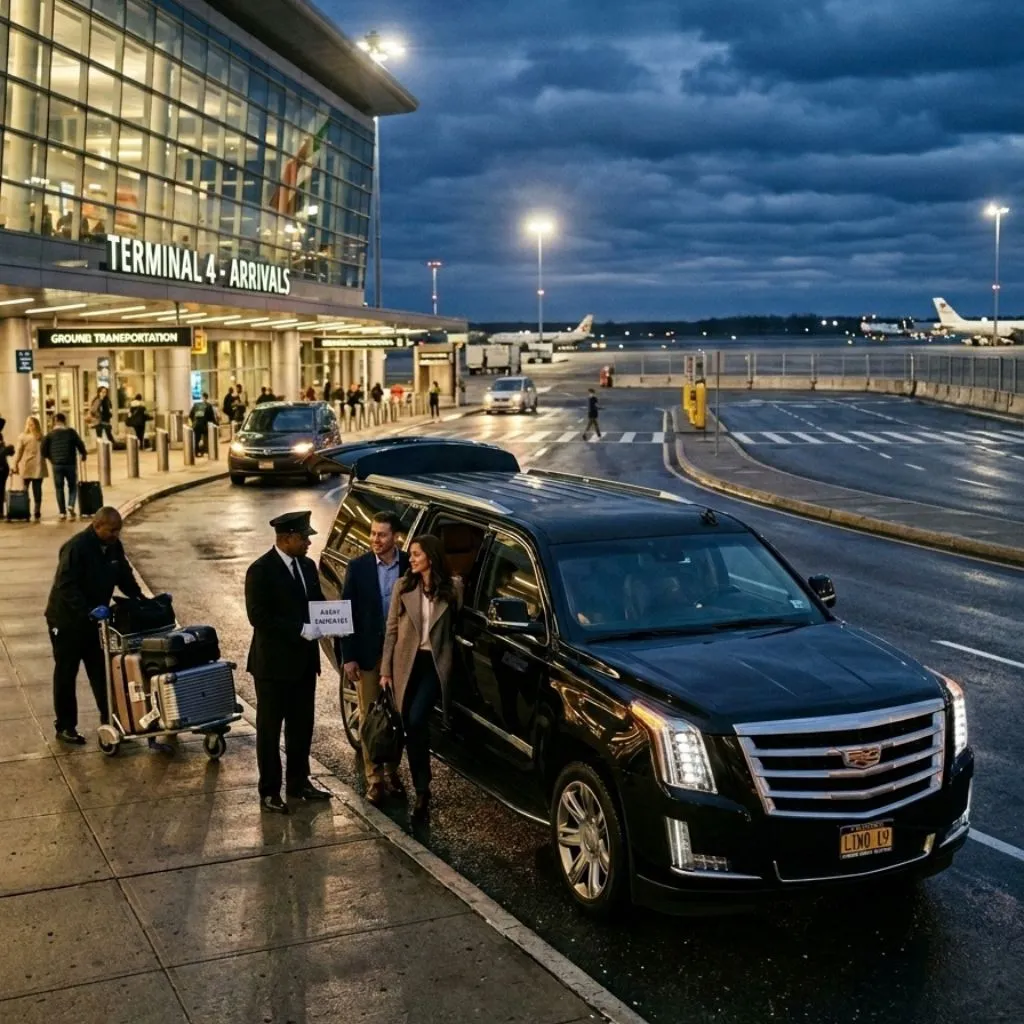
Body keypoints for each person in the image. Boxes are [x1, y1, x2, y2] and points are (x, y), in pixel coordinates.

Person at [245, 510, 333, 813]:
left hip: (304, 664)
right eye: (304, 537)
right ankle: (270, 790)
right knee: (269, 730)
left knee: (301, 726)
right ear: (288, 538)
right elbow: (258, 616)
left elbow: (317, 603)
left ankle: (299, 783)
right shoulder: (261, 570)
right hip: (272, 667)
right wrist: (299, 628)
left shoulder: (307, 566)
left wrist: (335, 619)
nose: (309, 542)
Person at [44, 507, 144, 744]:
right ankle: (66, 726)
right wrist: (87, 611)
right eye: (111, 531)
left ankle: (110, 722)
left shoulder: (113, 547)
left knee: (102, 672)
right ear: (97, 526)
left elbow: (124, 575)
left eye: (118, 531)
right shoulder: (77, 548)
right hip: (66, 620)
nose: (115, 535)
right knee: (67, 673)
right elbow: (66, 585)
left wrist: (139, 598)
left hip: (96, 622)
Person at [380, 534, 463, 820]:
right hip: (406, 662)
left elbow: (457, 627)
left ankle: (422, 789)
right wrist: (385, 670)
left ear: (431, 556)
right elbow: (391, 629)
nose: (411, 559)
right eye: (411, 554)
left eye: (416, 554)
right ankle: (419, 785)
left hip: (433, 663)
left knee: (416, 719)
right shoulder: (403, 586)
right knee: (406, 722)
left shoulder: (452, 588)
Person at [340, 512, 411, 805]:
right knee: (371, 717)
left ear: (395, 537)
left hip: (400, 654)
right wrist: (349, 657)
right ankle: (375, 779)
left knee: (397, 717)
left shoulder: (409, 565)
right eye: (372, 534)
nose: (375, 540)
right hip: (368, 655)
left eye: (381, 535)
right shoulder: (358, 568)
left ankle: (393, 772)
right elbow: (346, 614)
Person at [42, 413, 86, 521]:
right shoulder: (71, 432)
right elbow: (80, 444)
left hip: (57, 465)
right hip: (70, 463)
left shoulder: (49, 435)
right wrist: (83, 454)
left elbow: (43, 450)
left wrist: (51, 459)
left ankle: (62, 512)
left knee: (59, 488)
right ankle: (70, 504)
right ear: (64, 421)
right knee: (72, 486)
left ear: (54, 422)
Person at [12, 415, 45, 521]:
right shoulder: (41, 436)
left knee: (26, 489)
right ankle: (36, 511)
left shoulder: (23, 437)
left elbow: (18, 452)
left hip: (27, 466)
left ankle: (26, 508)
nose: (29, 426)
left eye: (30, 424)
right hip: (37, 466)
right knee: (37, 490)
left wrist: (15, 464)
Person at [0, 416, 13, 521]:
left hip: (2, 467)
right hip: (1, 467)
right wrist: (6, 450)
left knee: (1, 490)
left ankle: (0, 512)